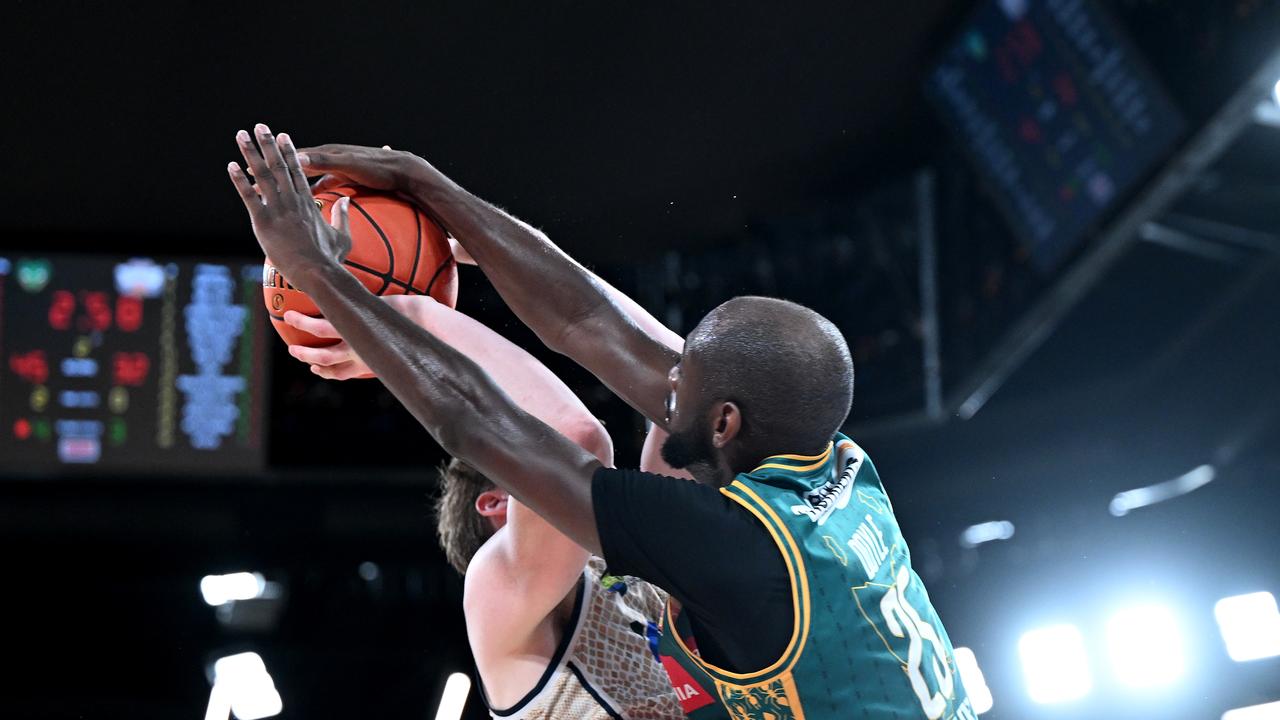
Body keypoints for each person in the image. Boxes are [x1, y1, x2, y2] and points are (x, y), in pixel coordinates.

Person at [227, 124, 975, 719]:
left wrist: (329, 277)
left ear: (722, 424)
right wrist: (426, 183)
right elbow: (593, 321)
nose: (662, 378)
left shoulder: (734, 548)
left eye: (680, 385)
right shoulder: (828, 457)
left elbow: (478, 423)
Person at [281, 294, 685, 718]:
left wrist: (493, 242)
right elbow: (576, 437)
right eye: (522, 455)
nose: (552, 461)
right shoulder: (496, 589)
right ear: (497, 503)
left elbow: (687, 381)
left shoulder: (641, 562)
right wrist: (414, 318)